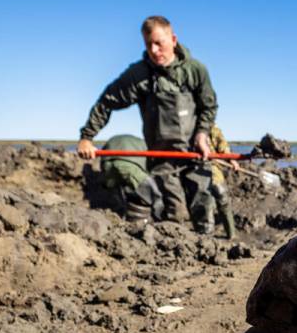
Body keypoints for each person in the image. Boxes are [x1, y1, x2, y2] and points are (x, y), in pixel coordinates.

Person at [77, 15, 218, 230]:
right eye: (148, 44)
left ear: (173, 39)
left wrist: (202, 134)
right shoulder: (139, 75)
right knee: (173, 213)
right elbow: (107, 102)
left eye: (158, 43)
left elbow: (209, 106)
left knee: (203, 204)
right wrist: (87, 137)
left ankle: (208, 251)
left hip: (194, 153)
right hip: (162, 157)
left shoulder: (195, 70)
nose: (153, 50)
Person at [99, 134, 165, 222]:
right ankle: (161, 220)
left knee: (116, 194)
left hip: (108, 163)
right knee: (155, 195)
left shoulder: (124, 140)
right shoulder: (145, 144)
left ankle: (118, 216)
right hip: (128, 165)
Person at [204, 125, 238, 238]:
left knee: (223, 199)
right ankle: (206, 237)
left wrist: (231, 159)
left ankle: (231, 234)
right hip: (194, 169)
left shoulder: (211, 128)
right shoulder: (187, 125)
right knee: (204, 203)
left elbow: (222, 144)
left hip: (213, 169)